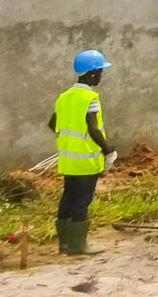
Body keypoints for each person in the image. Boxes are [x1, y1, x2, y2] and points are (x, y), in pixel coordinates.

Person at [49, 49, 116, 257]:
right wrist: (107, 151)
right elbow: (93, 127)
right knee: (82, 201)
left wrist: (70, 139)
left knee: (68, 198)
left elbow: (53, 124)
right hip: (86, 160)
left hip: (68, 159)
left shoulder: (64, 97)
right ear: (93, 73)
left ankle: (65, 245)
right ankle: (79, 246)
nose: (102, 76)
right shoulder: (90, 97)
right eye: (101, 72)